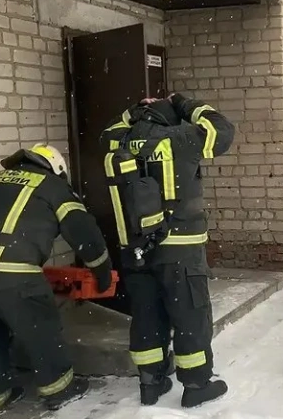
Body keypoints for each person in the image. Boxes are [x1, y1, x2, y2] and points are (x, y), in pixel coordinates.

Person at [0, 144, 113, 417]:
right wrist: (102, 272)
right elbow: (84, 232)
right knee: (41, 327)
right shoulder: (52, 186)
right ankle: (60, 389)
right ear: (57, 169)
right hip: (11, 272)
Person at [99, 93, 235, 407]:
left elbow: (106, 131)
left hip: (136, 248)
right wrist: (185, 104)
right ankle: (197, 384)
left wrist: (134, 110)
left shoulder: (117, 141)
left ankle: (151, 382)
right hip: (181, 248)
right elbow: (222, 129)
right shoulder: (182, 137)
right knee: (190, 313)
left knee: (147, 314)